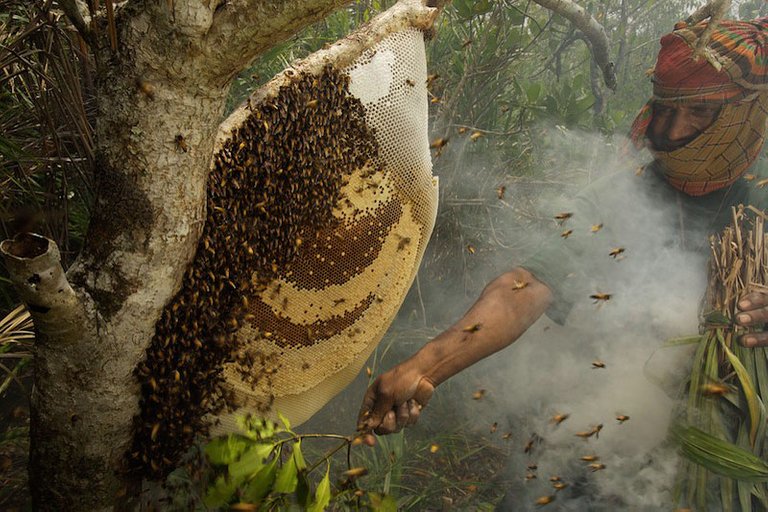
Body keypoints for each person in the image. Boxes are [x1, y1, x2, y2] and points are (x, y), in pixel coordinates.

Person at [357, 16, 768, 437]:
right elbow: (526, 286)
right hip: (615, 430)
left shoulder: (761, 196)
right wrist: (424, 367)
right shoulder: (620, 195)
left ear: (748, 112)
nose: (676, 131)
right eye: (669, 109)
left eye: (699, 111)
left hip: (738, 451)